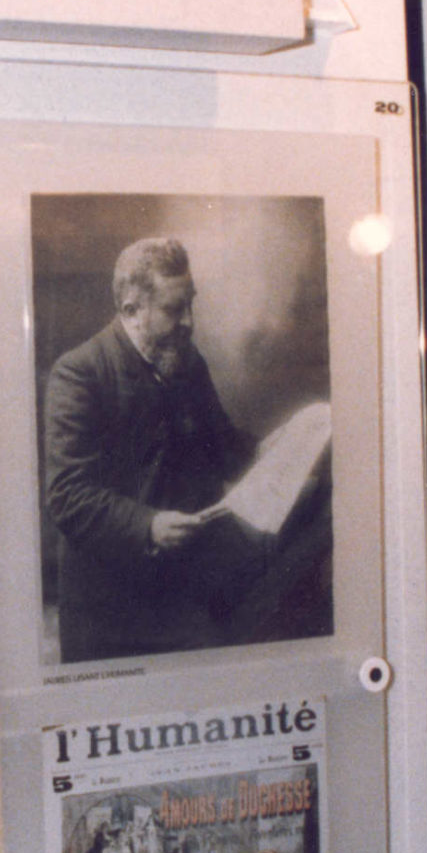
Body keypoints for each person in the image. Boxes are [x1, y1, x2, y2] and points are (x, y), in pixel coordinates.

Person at [41, 237, 257, 661]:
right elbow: (68, 496)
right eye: (175, 309)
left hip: (180, 593)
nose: (191, 321)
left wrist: (279, 451)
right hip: (108, 614)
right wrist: (149, 525)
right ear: (131, 311)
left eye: (190, 304)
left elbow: (222, 447)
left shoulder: (186, 360)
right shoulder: (79, 374)